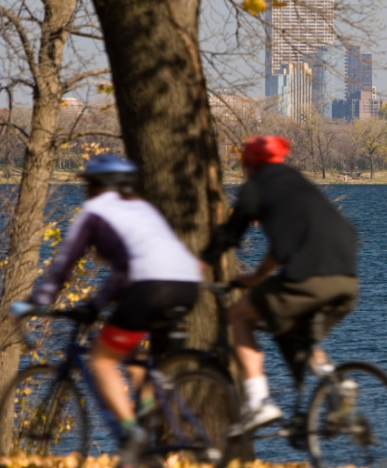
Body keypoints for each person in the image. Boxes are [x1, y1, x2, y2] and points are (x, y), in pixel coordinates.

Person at [16, 154, 201, 468]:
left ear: (95, 186)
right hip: (187, 283)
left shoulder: (94, 211)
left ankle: (133, 436)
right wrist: (97, 304)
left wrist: (37, 300)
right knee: (134, 354)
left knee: (101, 359)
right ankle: (148, 417)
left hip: (149, 286)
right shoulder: (142, 208)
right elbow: (128, 267)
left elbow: (64, 263)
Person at [202, 135, 358, 435]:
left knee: (237, 316)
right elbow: (287, 246)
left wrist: (196, 267)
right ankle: (335, 383)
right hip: (346, 281)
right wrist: (258, 278)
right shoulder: (299, 185)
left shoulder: (256, 188)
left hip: (309, 280)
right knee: (297, 332)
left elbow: (229, 236)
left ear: (250, 164)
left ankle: (259, 402)